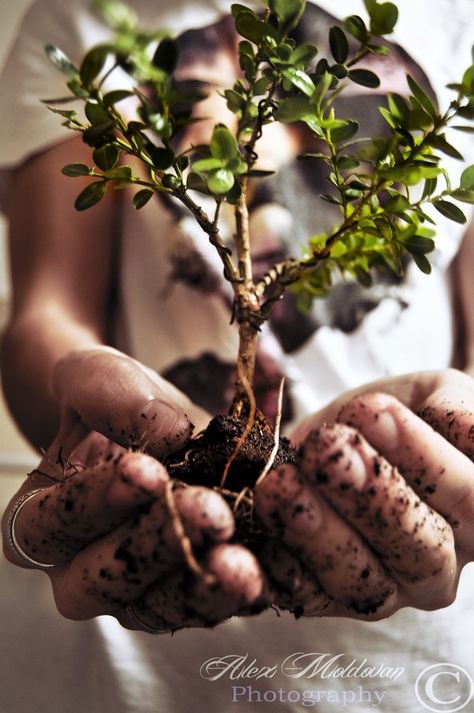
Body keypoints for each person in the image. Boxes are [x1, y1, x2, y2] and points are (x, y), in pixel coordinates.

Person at [1, 0, 474, 711]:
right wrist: (89, 395)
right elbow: (49, 310)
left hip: (412, 654)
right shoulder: (83, 15)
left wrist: (459, 441)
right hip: (123, 659)